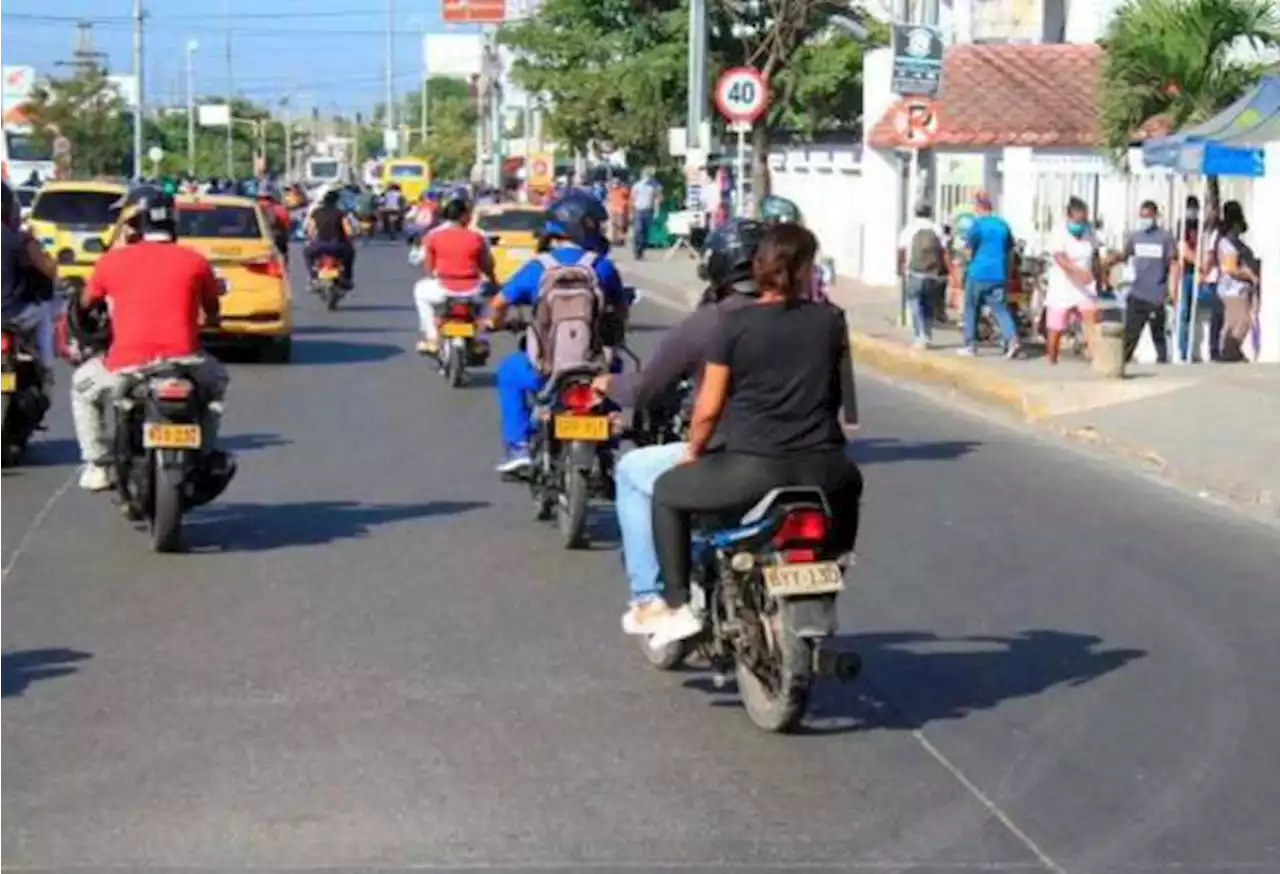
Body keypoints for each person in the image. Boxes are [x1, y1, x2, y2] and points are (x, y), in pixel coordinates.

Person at [631, 223, 863, 645]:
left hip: (753, 469)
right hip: (826, 471)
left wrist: (693, 451)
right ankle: (835, 563)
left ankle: (677, 603)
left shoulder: (733, 326)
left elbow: (708, 409)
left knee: (666, 492)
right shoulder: (830, 321)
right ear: (807, 269)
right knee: (851, 485)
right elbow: (838, 399)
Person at [597, 218, 766, 632]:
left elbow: (650, 388)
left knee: (633, 470)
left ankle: (651, 599)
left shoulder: (709, 323)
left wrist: (611, 385)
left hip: (731, 453)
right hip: (808, 457)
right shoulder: (805, 318)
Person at [70, 186, 230, 492]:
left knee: (82, 386)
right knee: (217, 386)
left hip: (126, 365)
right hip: (186, 360)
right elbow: (212, 315)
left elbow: (87, 303)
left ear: (135, 224)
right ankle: (206, 453)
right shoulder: (195, 262)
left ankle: (98, 465)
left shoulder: (112, 262)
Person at [485, 194, 628, 472]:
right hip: (594, 368)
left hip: (545, 371)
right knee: (616, 369)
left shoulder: (539, 266)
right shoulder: (602, 266)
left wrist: (494, 323)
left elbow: (499, 303)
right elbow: (620, 308)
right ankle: (608, 445)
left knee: (509, 374)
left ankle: (518, 447)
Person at [412, 194, 497, 355]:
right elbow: (487, 265)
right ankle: (481, 339)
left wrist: (435, 279)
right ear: (464, 216)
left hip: (444, 288)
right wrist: (494, 281)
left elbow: (429, 268)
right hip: (473, 290)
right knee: (487, 307)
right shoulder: (477, 237)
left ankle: (432, 337)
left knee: (420, 291)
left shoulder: (433, 236)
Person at [0, 181, 57, 379]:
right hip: (16, 314)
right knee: (45, 312)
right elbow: (49, 270)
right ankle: (47, 365)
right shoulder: (20, 239)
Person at [960, 192, 1020, 358]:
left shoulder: (977, 225)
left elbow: (968, 250)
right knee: (1000, 309)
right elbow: (1010, 251)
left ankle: (970, 345)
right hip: (998, 274)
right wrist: (1007, 273)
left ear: (979, 207)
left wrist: (963, 264)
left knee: (971, 308)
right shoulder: (1002, 225)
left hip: (978, 273)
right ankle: (1012, 339)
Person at [1044, 197, 1101, 365]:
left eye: (1084, 220)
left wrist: (1100, 276)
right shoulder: (1058, 231)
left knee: (1092, 321)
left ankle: (1096, 359)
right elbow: (1060, 258)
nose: (1081, 224)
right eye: (1078, 220)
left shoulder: (1089, 231)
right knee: (1056, 326)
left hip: (1086, 286)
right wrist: (1077, 272)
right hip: (1063, 285)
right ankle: (1052, 359)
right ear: (1069, 217)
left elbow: (1095, 254)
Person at [1119, 200, 1177, 364]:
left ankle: (1163, 364)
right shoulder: (1135, 237)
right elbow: (1124, 255)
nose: (1145, 219)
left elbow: (1173, 264)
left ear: (1155, 216)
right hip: (1137, 293)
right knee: (1130, 334)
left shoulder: (1165, 238)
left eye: (1148, 216)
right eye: (1142, 216)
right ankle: (1121, 363)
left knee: (1158, 335)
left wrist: (1173, 291)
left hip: (1156, 295)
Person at [897, 203, 949, 348]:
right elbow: (944, 251)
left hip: (914, 273)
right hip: (932, 274)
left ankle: (919, 336)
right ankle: (927, 335)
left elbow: (901, 250)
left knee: (915, 304)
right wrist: (945, 271)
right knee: (928, 306)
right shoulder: (936, 229)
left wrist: (900, 268)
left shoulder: (909, 229)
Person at [1214, 200, 1258, 362]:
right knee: (1241, 322)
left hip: (1239, 289)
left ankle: (1231, 352)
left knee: (1234, 321)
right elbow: (1231, 268)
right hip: (1232, 289)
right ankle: (1229, 351)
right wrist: (1249, 275)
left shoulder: (1236, 243)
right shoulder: (1227, 243)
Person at [304, 189, 357, 288]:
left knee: (307, 254)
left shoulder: (316, 212)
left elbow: (310, 231)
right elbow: (349, 231)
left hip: (319, 246)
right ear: (336, 201)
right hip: (338, 246)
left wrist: (310, 239)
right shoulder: (340, 213)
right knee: (350, 254)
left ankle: (313, 277)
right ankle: (347, 278)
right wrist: (353, 236)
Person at [629, 167, 662, 260]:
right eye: (648, 176)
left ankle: (641, 250)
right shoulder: (637, 185)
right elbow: (632, 198)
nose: (649, 178)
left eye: (650, 176)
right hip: (638, 210)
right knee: (638, 230)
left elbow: (657, 199)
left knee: (645, 232)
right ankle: (637, 251)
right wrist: (631, 212)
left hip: (648, 210)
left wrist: (657, 210)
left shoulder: (654, 186)